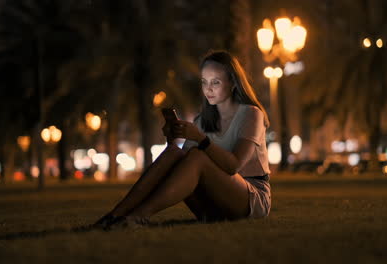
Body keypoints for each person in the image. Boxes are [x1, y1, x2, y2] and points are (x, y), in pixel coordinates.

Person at [94, 50, 271, 230]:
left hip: (251, 199)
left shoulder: (250, 114)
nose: (208, 88)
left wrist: (201, 139)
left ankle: (139, 216)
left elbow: (233, 166)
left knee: (197, 157)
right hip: (210, 205)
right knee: (174, 152)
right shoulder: (203, 121)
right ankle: (115, 215)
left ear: (232, 83)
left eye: (216, 82)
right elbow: (183, 165)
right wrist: (172, 139)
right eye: (205, 82)